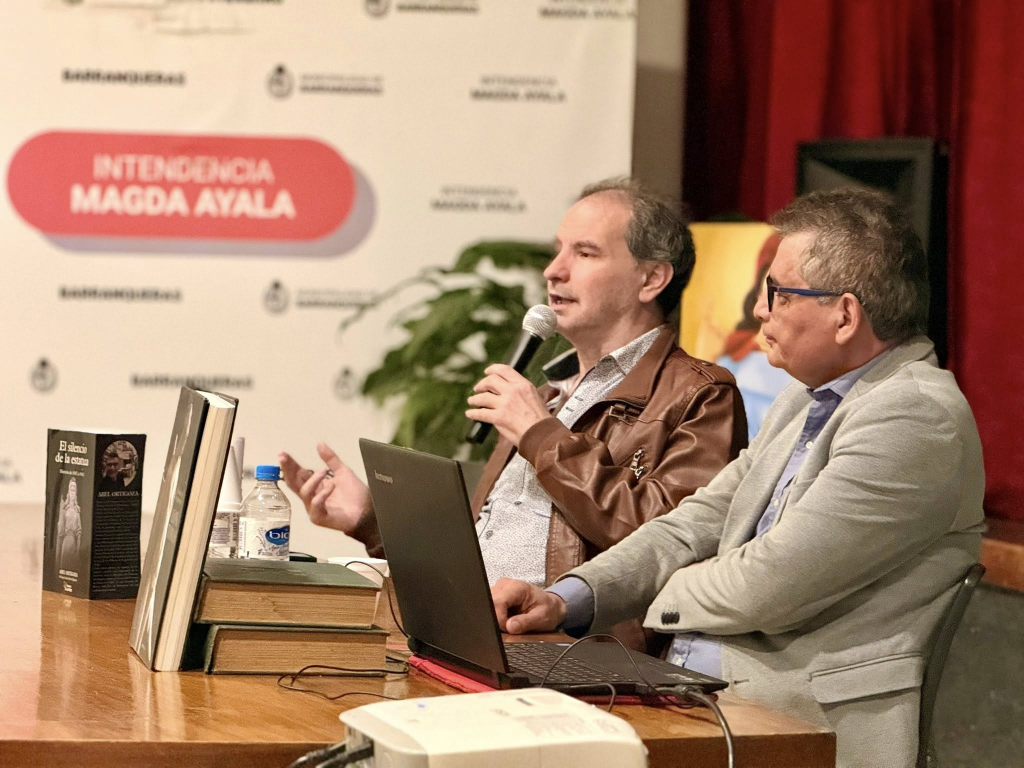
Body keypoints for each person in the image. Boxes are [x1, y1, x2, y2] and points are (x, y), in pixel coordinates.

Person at [491, 187, 985, 768]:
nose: (759, 310)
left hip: (797, 720)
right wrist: (566, 598)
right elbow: (692, 524)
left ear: (845, 315)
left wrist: (639, 602)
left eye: (777, 292)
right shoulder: (804, 400)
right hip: (698, 693)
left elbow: (769, 585)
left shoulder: (913, 417)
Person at [281, 177, 747, 648]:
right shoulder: (547, 393)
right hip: (477, 635)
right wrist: (371, 520)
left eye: (584, 254)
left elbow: (665, 541)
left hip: (579, 650)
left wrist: (542, 435)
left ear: (651, 279)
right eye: (558, 250)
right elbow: (485, 548)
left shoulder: (699, 394)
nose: (553, 270)